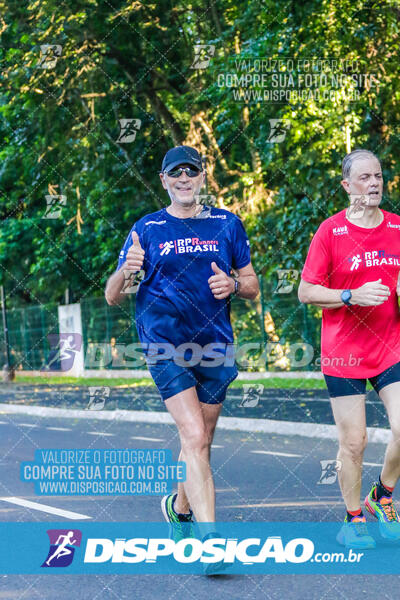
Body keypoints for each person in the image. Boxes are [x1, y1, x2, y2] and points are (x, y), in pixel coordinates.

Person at [105, 145, 259, 565]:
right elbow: (112, 296)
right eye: (176, 173)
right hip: (165, 345)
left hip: (215, 344)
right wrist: (125, 271)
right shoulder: (147, 229)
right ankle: (212, 546)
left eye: (191, 171)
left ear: (202, 176)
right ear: (164, 180)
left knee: (202, 440)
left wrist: (232, 284)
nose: (184, 178)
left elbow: (252, 284)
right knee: (193, 437)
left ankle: (179, 508)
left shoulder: (227, 224)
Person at [298, 149, 400, 549]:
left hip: (390, 347)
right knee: (354, 442)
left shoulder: (396, 228)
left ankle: (384, 494)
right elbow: (306, 291)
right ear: (346, 186)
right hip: (343, 353)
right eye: (364, 178)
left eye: (378, 176)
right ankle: (353, 518)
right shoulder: (330, 232)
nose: (373, 183)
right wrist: (350, 294)